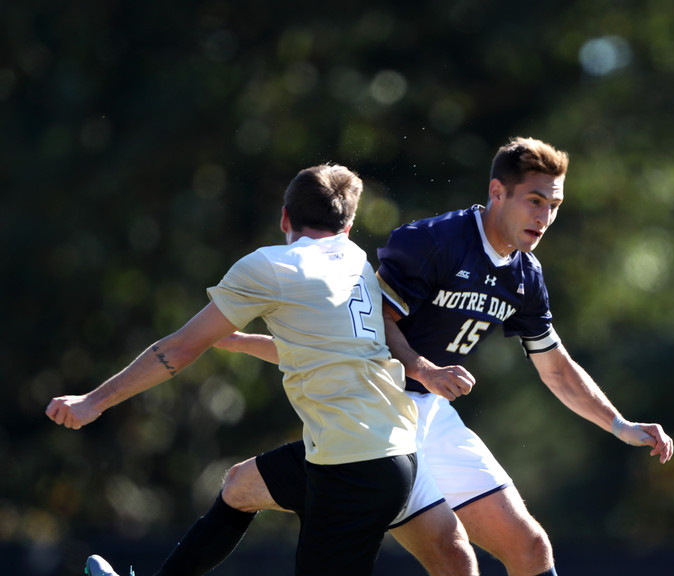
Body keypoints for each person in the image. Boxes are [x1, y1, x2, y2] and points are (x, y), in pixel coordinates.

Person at [114, 137, 674, 576]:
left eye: (553, 205)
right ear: (496, 192)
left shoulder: (527, 275)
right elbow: (367, 331)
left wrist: (619, 424)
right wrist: (423, 368)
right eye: (534, 200)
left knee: (527, 548)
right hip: (382, 418)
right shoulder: (431, 242)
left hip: (429, 418)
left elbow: (555, 364)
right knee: (447, 555)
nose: (545, 216)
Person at [47, 164, 476, 576]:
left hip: (353, 468)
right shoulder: (355, 260)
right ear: (347, 225)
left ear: (284, 216)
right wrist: (238, 342)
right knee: (240, 487)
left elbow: (177, 350)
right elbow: (323, 351)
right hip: (384, 451)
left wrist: (93, 401)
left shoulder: (271, 266)